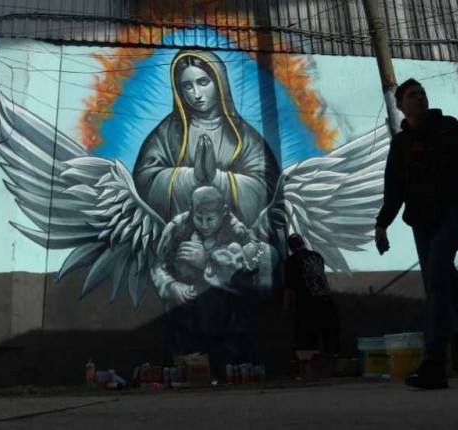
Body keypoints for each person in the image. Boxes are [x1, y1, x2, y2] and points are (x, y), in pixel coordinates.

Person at [375, 78, 458, 390]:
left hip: (449, 213)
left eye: (422, 93)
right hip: (420, 223)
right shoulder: (400, 144)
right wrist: (382, 225)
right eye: (412, 95)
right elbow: (393, 189)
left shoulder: (448, 127)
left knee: (436, 281)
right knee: (451, 293)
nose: (420, 98)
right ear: (400, 106)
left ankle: (435, 363)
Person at [133, 50, 280, 227]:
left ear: (219, 83)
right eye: (187, 86)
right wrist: (190, 177)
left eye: (203, 82)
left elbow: (267, 186)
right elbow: (144, 181)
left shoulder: (244, 136)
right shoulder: (167, 133)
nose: (196, 94)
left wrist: (217, 178)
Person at [151, 186, 276, 378]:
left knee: (230, 362)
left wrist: (206, 263)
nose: (204, 225)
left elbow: (245, 279)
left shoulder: (238, 232)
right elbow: (159, 266)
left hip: (225, 318)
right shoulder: (176, 229)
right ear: (191, 209)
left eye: (210, 219)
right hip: (186, 317)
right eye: (199, 218)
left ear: (224, 211)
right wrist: (171, 286)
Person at [282, 234, 340, 356]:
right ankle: (333, 362)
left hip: (306, 305)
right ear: (303, 243)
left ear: (291, 248)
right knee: (330, 339)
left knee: (307, 341)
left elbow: (289, 288)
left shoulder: (291, 261)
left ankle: (310, 364)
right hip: (326, 301)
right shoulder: (317, 256)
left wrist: (286, 308)